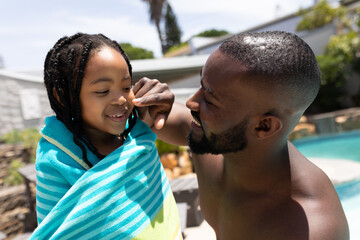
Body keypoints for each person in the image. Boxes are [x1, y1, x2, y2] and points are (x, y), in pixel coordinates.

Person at [148, 31, 350, 240]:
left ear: (264, 126)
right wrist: (134, 102)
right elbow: (173, 120)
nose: (191, 102)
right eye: (202, 85)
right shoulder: (215, 142)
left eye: (210, 100)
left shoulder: (308, 229)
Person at [31, 33, 182, 239]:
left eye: (126, 87)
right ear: (64, 96)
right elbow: (60, 233)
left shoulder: (137, 134)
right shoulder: (58, 159)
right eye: (103, 91)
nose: (120, 99)